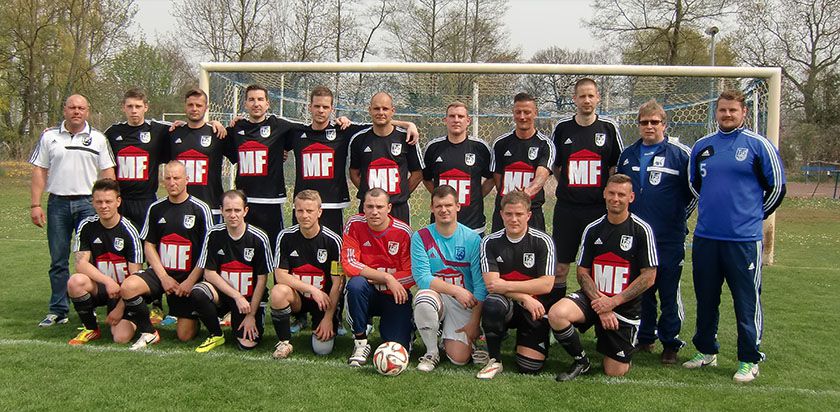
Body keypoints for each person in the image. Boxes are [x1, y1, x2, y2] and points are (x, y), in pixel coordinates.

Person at [684, 90, 786, 383]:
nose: (727, 115)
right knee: (706, 298)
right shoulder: (703, 146)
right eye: (722, 110)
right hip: (706, 238)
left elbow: (777, 188)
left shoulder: (758, 145)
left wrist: (753, 215)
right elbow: (694, 185)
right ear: (716, 113)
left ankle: (749, 359)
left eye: (732, 110)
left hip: (743, 240)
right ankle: (706, 352)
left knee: (746, 301)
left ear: (743, 113)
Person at [548, 174, 658, 381]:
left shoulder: (642, 230)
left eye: (621, 195)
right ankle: (581, 360)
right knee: (557, 313)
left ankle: (619, 345)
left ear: (631, 198)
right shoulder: (593, 229)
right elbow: (582, 272)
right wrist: (601, 303)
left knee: (614, 371)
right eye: (612, 193)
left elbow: (649, 277)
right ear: (604, 194)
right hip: (595, 300)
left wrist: (613, 302)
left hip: (624, 306)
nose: (616, 198)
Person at [617, 99, 695, 364]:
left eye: (654, 122)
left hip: (668, 236)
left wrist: (678, 218)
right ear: (638, 125)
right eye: (644, 122)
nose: (649, 127)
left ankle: (670, 342)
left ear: (664, 124)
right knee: (641, 288)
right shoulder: (628, 154)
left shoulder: (679, 153)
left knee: (668, 290)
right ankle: (646, 337)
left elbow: (693, 193)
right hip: (637, 235)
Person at [29, 94, 116, 327]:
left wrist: (111, 203)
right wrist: (35, 204)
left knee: (91, 258)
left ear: (87, 111)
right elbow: (39, 171)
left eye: (81, 108)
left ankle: (89, 305)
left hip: (89, 204)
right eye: (72, 107)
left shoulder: (98, 138)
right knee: (58, 259)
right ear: (65, 110)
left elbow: (108, 173)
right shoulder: (49, 137)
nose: (76, 111)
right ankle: (58, 309)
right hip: (58, 203)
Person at [287, 86, 419, 235]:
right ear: (310, 107)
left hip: (334, 204)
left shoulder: (343, 130)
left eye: (325, 106)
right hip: (303, 205)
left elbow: (381, 122)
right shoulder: (296, 132)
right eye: (317, 106)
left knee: (335, 250)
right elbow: (276, 143)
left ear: (332, 109)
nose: (321, 110)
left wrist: (409, 124)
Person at [119, 161, 213, 350]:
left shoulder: (200, 208)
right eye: (168, 178)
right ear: (163, 181)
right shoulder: (156, 208)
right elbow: (149, 245)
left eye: (176, 178)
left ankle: (195, 315)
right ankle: (149, 331)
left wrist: (190, 281)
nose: (172, 182)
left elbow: (207, 250)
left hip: (188, 277)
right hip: (162, 273)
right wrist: (163, 277)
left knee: (185, 336)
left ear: (187, 179)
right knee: (129, 287)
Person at [551, 78, 623, 312]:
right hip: (567, 209)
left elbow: (614, 167)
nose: (587, 100)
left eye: (591, 95)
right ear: (575, 99)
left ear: (598, 97)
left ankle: (602, 317)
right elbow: (555, 165)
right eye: (582, 96)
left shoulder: (608, 128)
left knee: (597, 267)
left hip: (597, 210)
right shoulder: (563, 128)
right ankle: (553, 319)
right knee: (560, 267)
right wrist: (571, 185)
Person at [477, 190, 555, 380]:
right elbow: (492, 285)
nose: (514, 219)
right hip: (509, 305)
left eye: (519, 214)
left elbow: (546, 285)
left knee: (530, 366)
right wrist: (524, 296)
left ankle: (531, 336)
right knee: (493, 303)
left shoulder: (543, 241)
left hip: (535, 308)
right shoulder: (490, 242)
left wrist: (509, 288)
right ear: (501, 214)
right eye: (509, 214)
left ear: (528, 215)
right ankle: (494, 359)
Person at [411, 185, 487, 372]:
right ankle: (431, 352)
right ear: (432, 208)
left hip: (464, 303)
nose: (444, 210)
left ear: (458, 207)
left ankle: (447, 336)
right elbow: (422, 278)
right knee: (423, 298)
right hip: (439, 297)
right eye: (438, 206)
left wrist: (474, 322)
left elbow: (480, 286)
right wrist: (457, 290)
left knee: (460, 359)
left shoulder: (472, 239)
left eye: (448, 205)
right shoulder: (421, 237)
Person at [190, 190, 273, 352]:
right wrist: (236, 295)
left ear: (245, 211)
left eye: (237, 210)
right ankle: (216, 334)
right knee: (199, 291)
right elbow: (209, 273)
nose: (232, 215)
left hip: (248, 303)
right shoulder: (214, 234)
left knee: (247, 344)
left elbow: (262, 280)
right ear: (221, 210)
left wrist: (250, 316)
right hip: (225, 296)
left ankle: (245, 320)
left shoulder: (259, 238)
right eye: (228, 210)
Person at [341, 188, 414, 367]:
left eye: (379, 207)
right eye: (370, 206)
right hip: (368, 292)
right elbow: (349, 263)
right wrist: (387, 278)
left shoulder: (403, 232)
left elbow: (412, 273)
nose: (374, 211)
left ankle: (407, 329)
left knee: (397, 345)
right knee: (356, 285)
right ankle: (360, 342)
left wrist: (389, 282)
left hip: (394, 295)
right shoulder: (354, 224)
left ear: (389, 208)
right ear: (363, 208)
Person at [66, 178, 143, 345]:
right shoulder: (87, 226)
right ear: (93, 202)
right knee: (75, 281)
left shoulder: (130, 230)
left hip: (125, 292)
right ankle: (91, 329)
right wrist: (108, 282)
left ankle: (135, 318)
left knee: (121, 338)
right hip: (103, 286)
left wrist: (119, 308)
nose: (104, 206)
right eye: (99, 202)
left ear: (118, 201)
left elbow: (136, 278)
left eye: (108, 201)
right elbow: (81, 264)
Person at [226, 84, 303, 248]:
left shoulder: (280, 126)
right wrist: (214, 124)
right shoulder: (236, 128)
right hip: (244, 201)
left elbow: (312, 129)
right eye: (251, 100)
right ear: (245, 104)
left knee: (275, 249)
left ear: (268, 103)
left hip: (271, 201)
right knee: (244, 249)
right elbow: (212, 136)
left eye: (260, 99)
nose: (256, 104)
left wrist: (340, 121)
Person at [269, 190, 343, 358]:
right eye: (300, 210)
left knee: (322, 350)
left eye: (309, 211)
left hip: (323, 302)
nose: (304, 215)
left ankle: (324, 322)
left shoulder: (333, 240)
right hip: (298, 299)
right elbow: (280, 276)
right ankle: (284, 342)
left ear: (319, 212)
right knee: (278, 292)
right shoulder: (285, 236)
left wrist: (328, 318)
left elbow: (338, 283)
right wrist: (312, 290)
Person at [348, 92, 424, 225]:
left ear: (392, 111)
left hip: (398, 208)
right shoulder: (359, 139)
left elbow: (418, 174)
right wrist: (368, 194)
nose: (381, 112)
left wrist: (401, 193)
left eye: (385, 108)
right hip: (370, 209)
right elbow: (354, 173)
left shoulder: (406, 138)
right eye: (376, 108)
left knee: (400, 245)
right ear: (370, 110)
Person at [422, 102, 495, 234]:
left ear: (468, 121)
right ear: (445, 120)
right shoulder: (433, 148)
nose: (456, 120)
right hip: (441, 224)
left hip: (473, 225)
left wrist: (476, 195)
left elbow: (491, 178)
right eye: (452, 116)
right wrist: (440, 197)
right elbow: (426, 179)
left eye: (460, 116)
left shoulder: (480, 147)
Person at [490, 92, 555, 233]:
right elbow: (497, 178)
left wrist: (527, 193)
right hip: (504, 212)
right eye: (518, 112)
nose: (522, 117)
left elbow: (541, 176)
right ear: (513, 113)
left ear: (535, 113)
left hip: (532, 212)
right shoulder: (500, 143)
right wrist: (510, 201)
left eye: (527, 112)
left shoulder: (545, 144)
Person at [170, 88, 228, 221]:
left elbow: (242, 150)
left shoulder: (217, 134)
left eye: (199, 105)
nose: (194, 109)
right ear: (185, 106)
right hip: (179, 205)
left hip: (210, 206)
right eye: (190, 105)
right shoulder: (173, 133)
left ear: (206, 108)